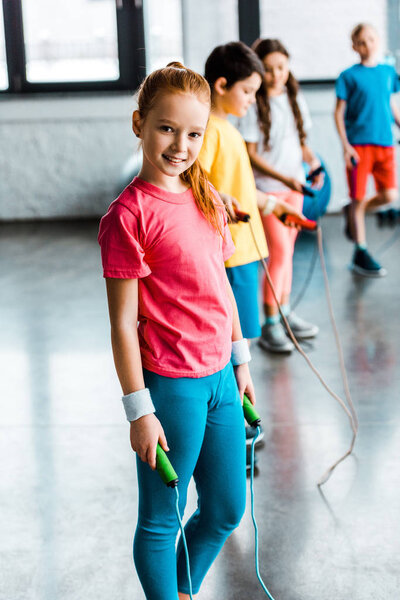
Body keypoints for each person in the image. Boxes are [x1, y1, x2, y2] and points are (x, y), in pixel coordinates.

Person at [98, 62, 256, 600]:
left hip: (221, 381)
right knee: (162, 519)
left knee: (225, 509)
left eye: (193, 133)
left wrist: (242, 360)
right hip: (172, 386)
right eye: (167, 128)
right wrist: (139, 411)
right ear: (139, 122)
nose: (180, 145)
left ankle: (181, 589)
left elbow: (222, 287)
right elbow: (122, 322)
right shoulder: (128, 215)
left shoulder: (207, 197)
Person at [199, 40, 305, 360]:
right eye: (247, 91)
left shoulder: (228, 130)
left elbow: (241, 189)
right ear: (221, 85)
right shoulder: (209, 131)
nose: (252, 99)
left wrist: (274, 206)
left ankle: (238, 400)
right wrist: (218, 200)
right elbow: (194, 184)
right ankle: (235, 407)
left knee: (242, 342)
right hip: (230, 254)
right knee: (235, 344)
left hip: (245, 249)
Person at [237, 38, 320, 353]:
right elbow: (251, 154)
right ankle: (270, 322)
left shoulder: (294, 98)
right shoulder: (253, 105)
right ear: (259, 71)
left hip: (295, 188)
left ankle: (285, 313)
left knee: (289, 254)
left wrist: (313, 165)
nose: (275, 75)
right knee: (280, 253)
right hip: (269, 193)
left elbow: (301, 145)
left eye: (281, 67)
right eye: (268, 69)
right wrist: (283, 177)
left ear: (288, 66)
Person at [334, 23, 400, 277]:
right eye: (361, 41)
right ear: (354, 46)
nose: (367, 45)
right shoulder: (348, 76)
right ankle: (360, 250)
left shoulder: (387, 72)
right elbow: (338, 113)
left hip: (385, 143)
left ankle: (352, 212)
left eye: (371, 39)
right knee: (359, 197)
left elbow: (390, 106)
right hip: (359, 146)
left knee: (388, 196)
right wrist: (346, 146)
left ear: (378, 40)